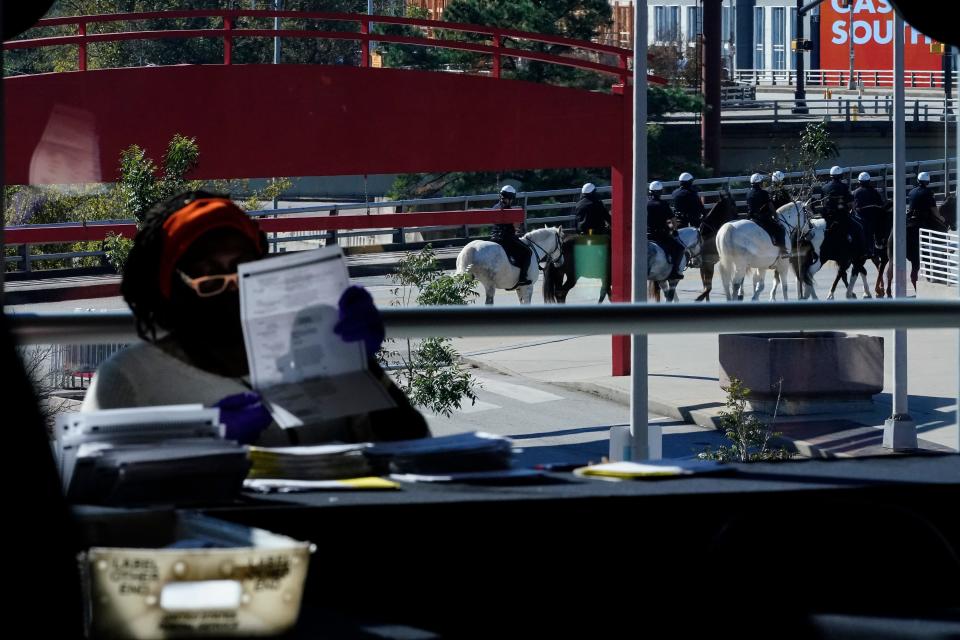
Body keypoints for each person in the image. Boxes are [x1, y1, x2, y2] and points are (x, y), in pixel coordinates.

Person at [81, 191, 429, 445]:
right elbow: (92, 495)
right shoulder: (128, 379)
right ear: (169, 289)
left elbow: (410, 446)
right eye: (210, 280)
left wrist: (363, 367)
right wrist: (204, 440)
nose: (232, 291)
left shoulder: (316, 354)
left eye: (244, 270)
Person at [490, 184, 533, 287]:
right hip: (505, 239)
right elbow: (510, 229)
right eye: (511, 199)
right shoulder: (508, 210)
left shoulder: (495, 207)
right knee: (528, 252)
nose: (512, 201)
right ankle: (522, 278)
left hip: (493, 237)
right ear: (509, 198)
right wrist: (516, 233)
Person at [648, 181, 685, 280]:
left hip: (646, 235)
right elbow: (673, 221)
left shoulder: (645, 204)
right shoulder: (663, 204)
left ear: (650, 192)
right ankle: (674, 272)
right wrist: (675, 229)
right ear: (660, 192)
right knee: (679, 248)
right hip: (660, 235)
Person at [746, 173, 787, 258]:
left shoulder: (748, 193)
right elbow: (771, 207)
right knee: (780, 229)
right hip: (762, 219)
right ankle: (783, 251)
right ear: (759, 183)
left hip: (751, 218)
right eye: (761, 182)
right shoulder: (764, 193)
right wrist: (776, 217)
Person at [852, 171, 884, 257]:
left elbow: (854, 207)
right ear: (869, 181)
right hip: (874, 218)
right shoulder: (875, 191)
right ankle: (879, 243)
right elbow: (881, 205)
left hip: (861, 218)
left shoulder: (856, 192)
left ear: (859, 182)